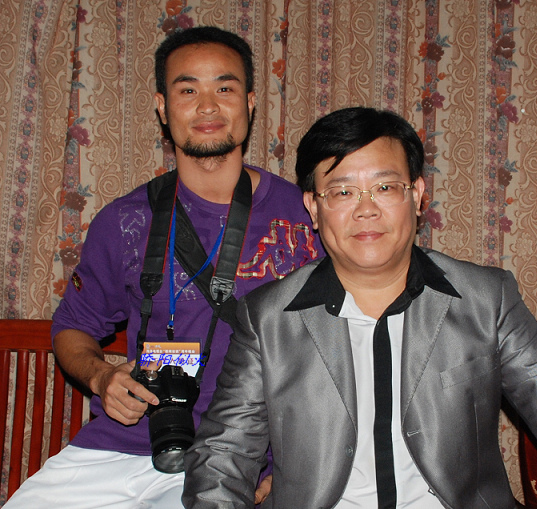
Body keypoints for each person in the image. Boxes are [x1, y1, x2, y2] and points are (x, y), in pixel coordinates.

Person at [182, 107, 537, 508]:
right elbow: (223, 455)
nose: (366, 210)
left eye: (384, 187)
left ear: (416, 196)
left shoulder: (484, 299)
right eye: (342, 192)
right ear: (313, 208)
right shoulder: (267, 318)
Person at [4, 26, 321, 508]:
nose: (208, 106)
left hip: (242, 454)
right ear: (162, 106)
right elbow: (73, 328)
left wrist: (300, 461)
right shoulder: (124, 220)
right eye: (188, 90)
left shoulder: (307, 216)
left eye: (225, 88)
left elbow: (345, 350)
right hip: (127, 444)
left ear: (250, 102)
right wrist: (101, 377)